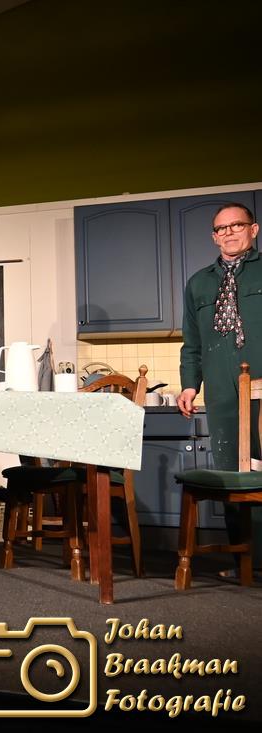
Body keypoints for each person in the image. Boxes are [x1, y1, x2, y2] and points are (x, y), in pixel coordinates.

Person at [178, 203, 262, 575]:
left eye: (236, 225)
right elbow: (192, 343)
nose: (228, 233)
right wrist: (189, 385)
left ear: (253, 230)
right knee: (232, 474)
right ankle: (246, 561)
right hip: (222, 392)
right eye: (220, 229)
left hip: (261, 386)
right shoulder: (199, 283)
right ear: (214, 237)